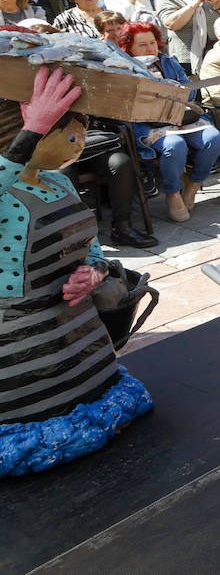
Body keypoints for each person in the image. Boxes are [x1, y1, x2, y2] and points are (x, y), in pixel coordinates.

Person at [0, 68, 155, 475]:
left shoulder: (60, 183)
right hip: (17, 338)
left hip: (79, 330)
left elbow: (93, 247)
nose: (80, 144)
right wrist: (32, 129)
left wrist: (94, 272)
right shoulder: (6, 188)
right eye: (68, 135)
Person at [116, 22, 220, 222]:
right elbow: (125, 104)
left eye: (152, 42)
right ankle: (173, 193)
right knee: (174, 146)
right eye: (142, 45)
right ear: (129, 47)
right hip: (150, 123)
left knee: (215, 138)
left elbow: (191, 90)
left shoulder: (167, 61)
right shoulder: (123, 69)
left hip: (181, 115)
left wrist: (177, 90)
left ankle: (194, 184)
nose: (150, 48)